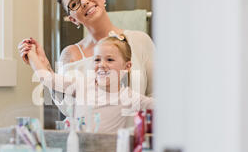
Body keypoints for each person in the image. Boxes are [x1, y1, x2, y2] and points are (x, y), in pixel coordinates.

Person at [18, 0, 155, 116]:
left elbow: (157, 95)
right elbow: (68, 109)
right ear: (73, 19)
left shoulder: (139, 40)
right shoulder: (70, 54)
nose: (84, 2)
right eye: (74, 4)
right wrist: (44, 64)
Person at [24, 32, 153, 133]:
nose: (102, 65)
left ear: (127, 66)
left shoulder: (129, 97)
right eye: (97, 60)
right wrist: (32, 54)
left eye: (109, 59)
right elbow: (48, 78)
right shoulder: (82, 86)